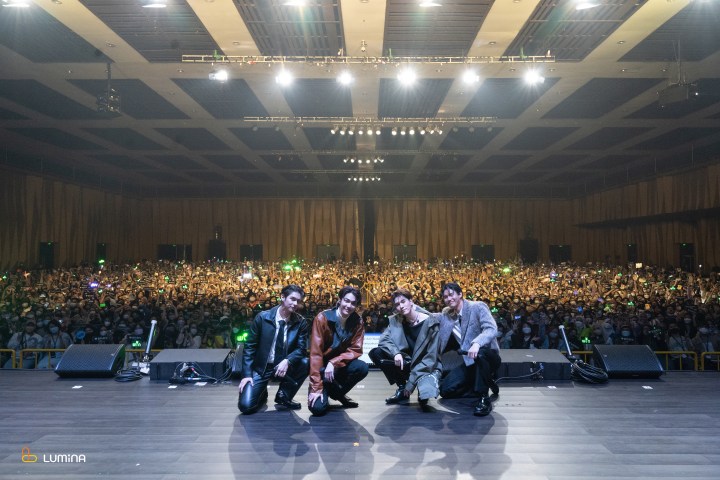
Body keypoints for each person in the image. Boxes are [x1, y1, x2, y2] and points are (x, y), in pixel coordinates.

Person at [238, 284, 309, 414]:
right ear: (282, 297)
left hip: (285, 367)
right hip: (262, 368)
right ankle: (261, 392)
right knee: (245, 407)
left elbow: (301, 349)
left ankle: (284, 395)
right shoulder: (262, 317)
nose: (295, 304)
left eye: (298, 301)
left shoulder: (301, 322)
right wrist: (246, 375)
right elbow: (249, 347)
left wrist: (287, 361)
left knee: (305, 362)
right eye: (292, 299)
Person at [369, 288, 442, 409]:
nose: (401, 306)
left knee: (425, 395)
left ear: (411, 301)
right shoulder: (396, 320)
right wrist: (396, 353)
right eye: (397, 304)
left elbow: (430, 357)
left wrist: (411, 383)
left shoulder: (430, 323)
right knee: (376, 353)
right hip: (406, 361)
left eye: (403, 301)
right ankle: (402, 388)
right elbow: (383, 340)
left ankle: (419, 386)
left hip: (425, 365)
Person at [437, 282, 501, 417]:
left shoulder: (477, 306)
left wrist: (477, 343)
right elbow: (428, 316)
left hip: (487, 357)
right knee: (445, 391)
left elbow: (491, 329)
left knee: (481, 354)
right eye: (445, 297)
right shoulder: (447, 314)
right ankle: (484, 382)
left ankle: (484, 398)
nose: (449, 299)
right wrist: (410, 305)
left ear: (460, 294)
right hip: (469, 361)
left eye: (451, 294)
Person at [307, 286, 368, 416]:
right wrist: (316, 387)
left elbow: (355, 349)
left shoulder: (358, 321)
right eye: (346, 301)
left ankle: (337, 393)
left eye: (353, 303)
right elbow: (316, 354)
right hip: (322, 369)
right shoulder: (322, 318)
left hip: (340, 366)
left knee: (362, 367)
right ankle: (327, 389)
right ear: (339, 300)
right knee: (317, 409)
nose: (349, 305)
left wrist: (334, 362)